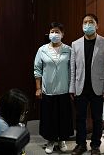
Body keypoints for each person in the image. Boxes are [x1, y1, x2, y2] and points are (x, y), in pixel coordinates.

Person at [69, 14, 104, 155]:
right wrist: (72, 88)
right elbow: (72, 69)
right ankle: (81, 144)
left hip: (98, 88)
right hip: (80, 88)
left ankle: (95, 145)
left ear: (97, 25)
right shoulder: (75, 44)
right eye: (85, 22)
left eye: (91, 22)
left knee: (97, 118)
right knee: (80, 118)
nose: (87, 25)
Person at [34, 22, 73, 154]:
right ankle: (50, 141)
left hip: (64, 90)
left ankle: (61, 140)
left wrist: (71, 88)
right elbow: (37, 70)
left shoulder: (69, 50)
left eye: (57, 32)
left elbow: (72, 70)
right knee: (49, 117)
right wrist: (38, 88)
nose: (54, 34)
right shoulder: (42, 50)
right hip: (48, 90)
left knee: (63, 116)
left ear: (62, 34)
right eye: (52, 31)